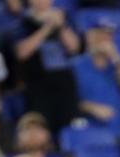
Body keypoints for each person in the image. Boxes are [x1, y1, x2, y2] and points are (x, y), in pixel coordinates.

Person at [14, 0, 81, 133]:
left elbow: (74, 48)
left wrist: (61, 26)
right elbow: (22, 52)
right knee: (43, 127)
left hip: (65, 84)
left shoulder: (62, 18)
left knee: (70, 127)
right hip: (39, 84)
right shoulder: (23, 21)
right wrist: (47, 28)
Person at [73, 16, 120, 131]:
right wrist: (91, 107)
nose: (104, 39)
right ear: (90, 36)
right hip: (87, 127)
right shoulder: (76, 66)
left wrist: (116, 59)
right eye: (100, 34)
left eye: (108, 35)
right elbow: (67, 101)